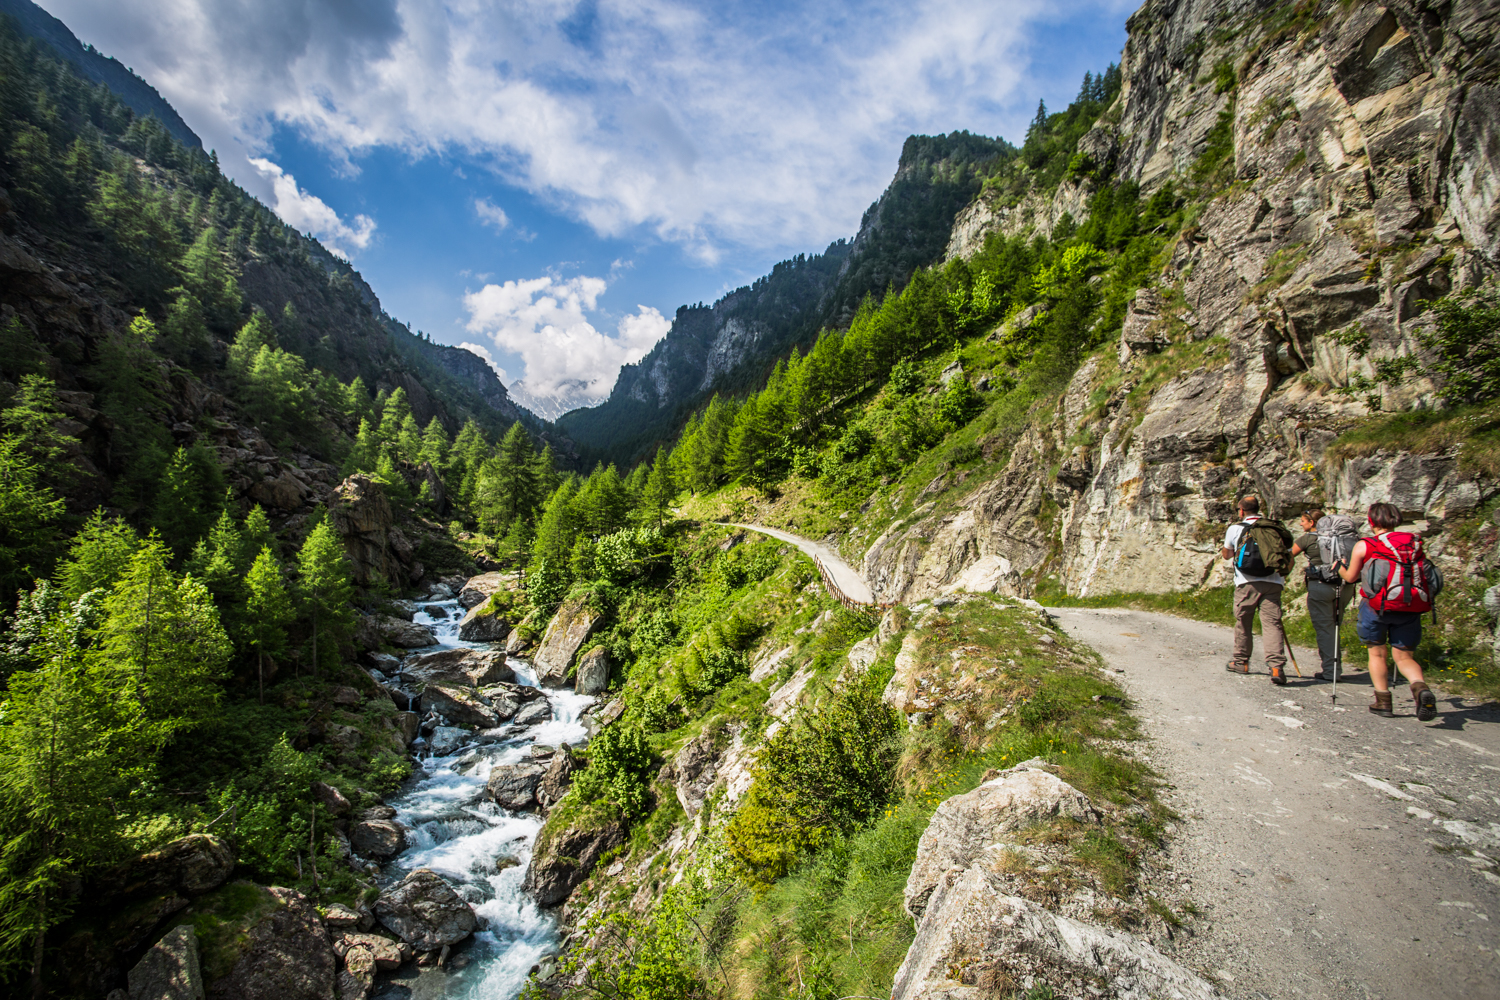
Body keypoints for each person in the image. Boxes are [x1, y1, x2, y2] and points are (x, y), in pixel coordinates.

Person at [1337, 502, 1439, 721]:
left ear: (1372, 521)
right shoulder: (1415, 543)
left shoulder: (1366, 545)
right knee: (1404, 656)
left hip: (1376, 607)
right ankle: (1420, 689)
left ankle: (1383, 701)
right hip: (1410, 605)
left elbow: (1351, 577)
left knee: (1377, 653)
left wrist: (1339, 567)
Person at [1221, 495, 1291, 683]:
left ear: (1241, 511)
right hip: (1273, 582)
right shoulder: (1274, 528)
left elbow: (1227, 555)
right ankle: (1276, 668)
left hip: (1246, 582)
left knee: (1243, 622)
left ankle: (1241, 662)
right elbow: (1288, 556)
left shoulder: (1235, 529)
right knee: (1272, 624)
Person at [1290, 509, 1356, 681]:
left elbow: (1288, 555)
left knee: (1325, 628)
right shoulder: (1341, 538)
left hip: (1320, 585)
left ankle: (1331, 671)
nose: (1301, 524)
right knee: (1335, 625)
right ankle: (1335, 667)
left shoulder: (1307, 539)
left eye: (1303, 521)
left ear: (1312, 523)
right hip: (1345, 585)